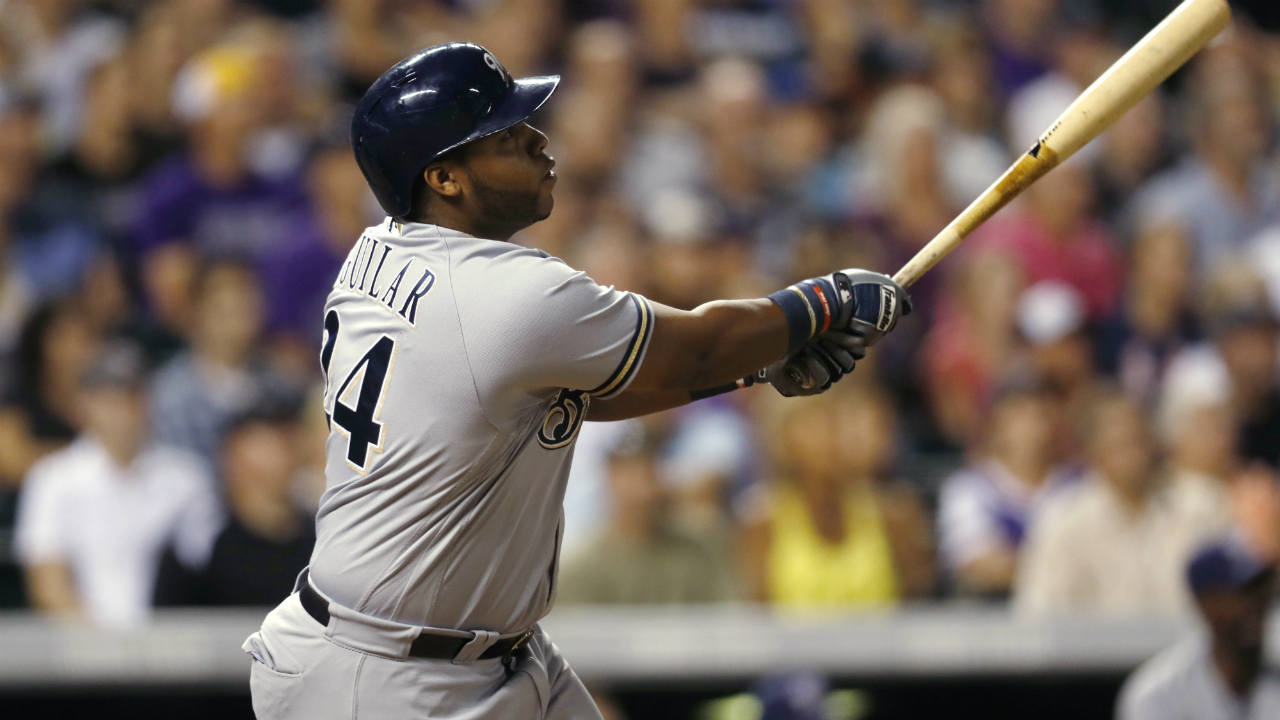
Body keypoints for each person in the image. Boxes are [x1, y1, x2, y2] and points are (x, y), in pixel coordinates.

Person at [243, 43, 911, 720]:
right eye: (506, 138)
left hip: (471, 651)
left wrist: (759, 364)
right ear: (443, 178)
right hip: (385, 679)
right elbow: (696, 348)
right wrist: (824, 302)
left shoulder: (375, 252)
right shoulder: (504, 293)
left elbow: (573, 396)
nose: (538, 141)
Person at [13, 343, 222, 629]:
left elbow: (209, 572)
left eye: (131, 396)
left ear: (148, 400)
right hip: (80, 645)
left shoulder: (187, 478)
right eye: (107, 398)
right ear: (84, 404)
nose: (122, 410)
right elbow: (49, 586)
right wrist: (102, 645)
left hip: (174, 643)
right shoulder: (52, 479)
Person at [1014, 393, 1225, 617]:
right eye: (1119, 445)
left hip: (1189, 636)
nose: (1134, 455)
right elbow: (1038, 612)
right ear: (1093, 453)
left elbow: (1228, 596)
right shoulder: (1063, 521)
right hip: (1092, 640)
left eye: (1138, 440)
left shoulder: (1202, 506)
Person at [154, 400, 315, 607]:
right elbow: (168, 621)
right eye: (274, 437)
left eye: (288, 435)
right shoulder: (199, 548)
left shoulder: (321, 542)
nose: (288, 448)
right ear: (234, 457)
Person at [556, 424, 738, 606]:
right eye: (630, 474)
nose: (642, 488)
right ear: (610, 477)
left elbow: (726, 613)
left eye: (649, 471)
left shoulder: (696, 552)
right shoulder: (582, 566)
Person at [1116, 535, 1280, 719]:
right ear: (1205, 604)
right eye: (1242, 593)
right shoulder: (1160, 694)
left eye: (1260, 591)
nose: (1255, 604)